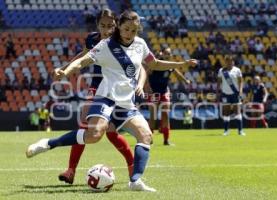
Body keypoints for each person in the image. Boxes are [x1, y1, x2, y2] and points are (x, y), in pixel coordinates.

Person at [26, 11, 197, 192]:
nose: (129, 33)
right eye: (126, 29)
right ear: (119, 27)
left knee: (146, 136)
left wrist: (181, 64)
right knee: (93, 136)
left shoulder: (140, 44)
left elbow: (153, 63)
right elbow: (82, 61)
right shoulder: (105, 45)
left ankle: (135, 181)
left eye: (133, 29)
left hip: (126, 103)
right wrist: (66, 71)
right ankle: (48, 143)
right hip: (105, 97)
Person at [57, 9, 138, 184]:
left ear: (116, 25)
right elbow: (83, 56)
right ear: (97, 25)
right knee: (84, 125)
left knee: (110, 132)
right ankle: (70, 170)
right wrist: (65, 68)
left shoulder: (123, 39)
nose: (107, 29)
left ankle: (133, 167)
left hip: (118, 88)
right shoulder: (93, 39)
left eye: (110, 25)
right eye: (103, 25)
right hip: (97, 86)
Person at [147, 47, 191, 145]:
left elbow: (178, 75)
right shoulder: (155, 63)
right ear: (162, 53)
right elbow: (146, 74)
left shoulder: (170, 66)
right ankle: (149, 140)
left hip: (164, 92)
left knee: (165, 115)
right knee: (153, 117)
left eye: (169, 53)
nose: (168, 55)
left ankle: (166, 140)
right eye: (166, 53)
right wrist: (147, 87)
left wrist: (185, 81)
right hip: (153, 93)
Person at [217, 55, 245, 136]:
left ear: (233, 62)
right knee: (226, 112)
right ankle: (226, 131)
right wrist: (217, 92)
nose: (229, 62)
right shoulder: (221, 70)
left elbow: (241, 82)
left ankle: (240, 131)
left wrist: (240, 91)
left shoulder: (237, 70)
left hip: (235, 93)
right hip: (225, 93)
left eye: (231, 61)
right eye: (228, 61)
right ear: (225, 62)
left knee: (237, 112)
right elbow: (219, 82)